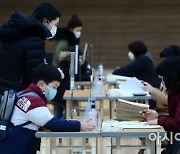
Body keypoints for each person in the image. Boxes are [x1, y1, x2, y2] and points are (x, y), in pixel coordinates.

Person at [0, 63, 94, 154]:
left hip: (11, 144)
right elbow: (52, 123)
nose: (55, 91)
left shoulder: (26, 95)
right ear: (41, 85)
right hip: (15, 149)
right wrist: (79, 125)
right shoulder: (34, 102)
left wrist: (56, 74)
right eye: (54, 87)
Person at [0, 3, 60, 94]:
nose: (55, 28)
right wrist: (55, 73)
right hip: (16, 93)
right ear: (46, 21)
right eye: (55, 24)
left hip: (4, 89)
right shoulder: (34, 40)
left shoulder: (15, 31)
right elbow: (35, 76)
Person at [52, 15, 91, 117]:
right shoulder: (64, 41)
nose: (79, 32)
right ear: (71, 29)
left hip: (66, 73)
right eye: (77, 30)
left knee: (62, 103)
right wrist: (73, 55)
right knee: (60, 102)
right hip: (59, 73)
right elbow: (59, 56)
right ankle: (59, 121)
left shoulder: (72, 40)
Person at [143, 56, 180, 154]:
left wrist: (159, 120)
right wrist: (157, 116)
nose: (162, 80)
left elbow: (178, 123)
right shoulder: (174, 92)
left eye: (163, 77)